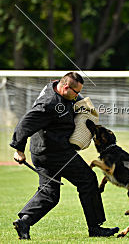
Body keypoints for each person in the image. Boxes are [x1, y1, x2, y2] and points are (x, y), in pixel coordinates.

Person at [10, 72, 119, 239]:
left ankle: (24, 221)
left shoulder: (58, 87)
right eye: (76, 93)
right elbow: (25, 123)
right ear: (66, 87)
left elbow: (76, 100)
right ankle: (95, 228)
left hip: (44, 151)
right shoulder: (48, 103)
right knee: (88, 180)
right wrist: (18, 149)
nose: (77, 96)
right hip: (55, 152)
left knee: (50, 194)